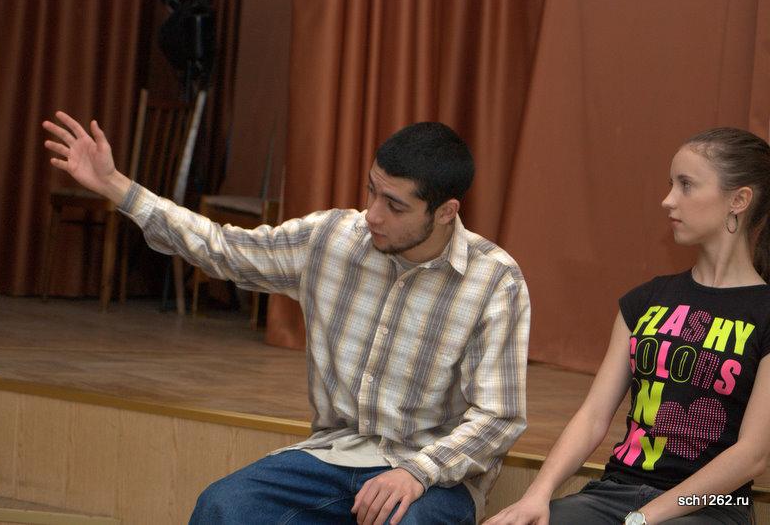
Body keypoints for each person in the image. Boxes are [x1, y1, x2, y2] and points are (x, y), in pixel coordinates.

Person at [43, 113, 531, 525]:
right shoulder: (331, 239)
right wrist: (116, 185)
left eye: (394, 205)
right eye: (371, 192)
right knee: (223, 508)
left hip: (432, 475)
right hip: (335, 455)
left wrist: (417, 472)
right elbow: (223, 248)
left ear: (445, 212)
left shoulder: (494, 281)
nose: (372, 215)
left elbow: (499, 416)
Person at [485, 127, 770, 525]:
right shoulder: (646, 299)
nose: (668, 200)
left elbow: (753, 455)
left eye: (686, 185)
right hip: (616, 493)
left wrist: (644, 518)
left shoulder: (764, 312)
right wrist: (537, 495)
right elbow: (593, 416)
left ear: (738, 200)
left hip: (711, 506)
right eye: (671, 184)